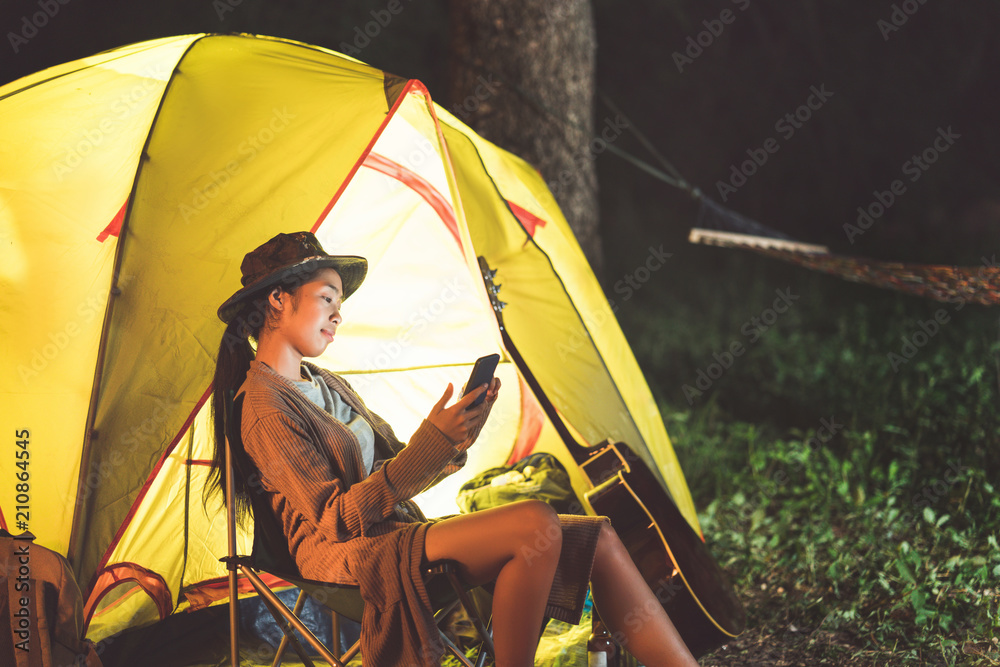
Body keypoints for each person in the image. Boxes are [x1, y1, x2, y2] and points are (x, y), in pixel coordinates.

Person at [208, 231, 700, 667]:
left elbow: (397, 467)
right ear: (277, 300)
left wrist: (455, 439)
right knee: (534, 523)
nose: (339, 313)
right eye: (327, 298)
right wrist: (430, 444)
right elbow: (333, 520)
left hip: (397, 530)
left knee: (599, 538)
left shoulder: (324, 383)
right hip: (345, 558)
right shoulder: (264, 407)